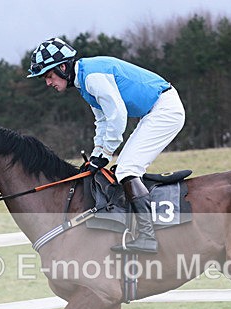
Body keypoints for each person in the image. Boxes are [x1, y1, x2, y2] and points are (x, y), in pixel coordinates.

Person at [27, 37, 186, 254]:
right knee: (122, 169)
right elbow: (102, 122)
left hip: (165, 110)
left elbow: (117, 115)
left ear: (62, 67)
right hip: (154, 112)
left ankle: (148, 237)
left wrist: (107, 151)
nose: (48, 83)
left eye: (49, 75)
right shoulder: (83, 82)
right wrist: (97, 155)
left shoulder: (93, 77)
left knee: (127, 169)